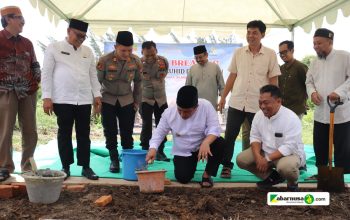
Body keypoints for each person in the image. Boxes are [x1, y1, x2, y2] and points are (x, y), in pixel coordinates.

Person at [217, 20, 281, 178]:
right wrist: (223, 97)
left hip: (259, 105)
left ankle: (267, 164)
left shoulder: (271, 54)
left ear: (262, 35)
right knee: (230, 136)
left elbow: (273, 79)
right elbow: (232, 76)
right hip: (237, 102)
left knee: (264, 137)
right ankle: (226, 166)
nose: (251, 36)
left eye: (255, 33)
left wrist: (274, 101)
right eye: (249, 32)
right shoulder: (238, 52)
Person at [41, 19, 101, 180]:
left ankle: (86, 167)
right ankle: (65, 167)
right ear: (69, 31)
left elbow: (93, 76)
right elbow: (46, 73)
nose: (81, 39)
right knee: (64, 133)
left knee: (84, 133)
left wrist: (97, 95)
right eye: (78, 35)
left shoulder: (88, 51)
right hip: (62, 98)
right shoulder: (54, 48)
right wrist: (47, 97)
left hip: (83, 99)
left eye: (84, 36)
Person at [145, 85, 225, 188]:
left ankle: (207, 175)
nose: (183, 114)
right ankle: (186, 163)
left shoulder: (206, 106)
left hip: (203, 145)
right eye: (180, 110)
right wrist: (153, 149)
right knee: (183, 178)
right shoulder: (169, 113)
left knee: (220, 143)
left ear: (196, 107)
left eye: (187, 111)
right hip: (184, 150)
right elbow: (159, 133)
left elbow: (215, 128)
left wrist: (206, 142)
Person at [236, 85, 306, 191]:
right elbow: (255, 137)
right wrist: (258, 157)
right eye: (260, 103)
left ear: (278, 101)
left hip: (288, 155)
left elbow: (289, 147)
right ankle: (272, 177)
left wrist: (267, 159)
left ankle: (292, 183)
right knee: (241, 160)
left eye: (266, 102)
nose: (262, 106)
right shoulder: (259, 115)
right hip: (265, 151)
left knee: (286, 168)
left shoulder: (291, 118)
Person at [0, 6, 41, 182]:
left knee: (31, 130)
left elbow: (35, 65)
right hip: (5, 91)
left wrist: (35, 82)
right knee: (5, 130)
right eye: (19, 17)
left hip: (27, 92)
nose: (23, 21)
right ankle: (4, 167)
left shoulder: (27, 43)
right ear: (8, 19)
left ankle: (28, 166)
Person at [305, 28, 350, 175]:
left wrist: (339, 92)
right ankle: (322, 173)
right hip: (320, 113)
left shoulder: (345, 57)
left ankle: (341, 176)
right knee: (320, 145)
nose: (315, 46)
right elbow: (309, 82)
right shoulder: (314, 62)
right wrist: (312, 93)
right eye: (314, 43)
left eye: (319, 43)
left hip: (341, 113)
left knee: (342, 147)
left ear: (330, 42)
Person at [97, 31, 142, 173]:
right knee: (109, 131)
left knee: (127, 132)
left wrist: (137, 102)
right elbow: (96, 82)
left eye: (129, 50)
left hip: (126, 100)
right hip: (107, 100)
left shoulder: (136, 61)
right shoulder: (104, 61)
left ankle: (128, 158)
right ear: (115, 46)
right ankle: (114, 159)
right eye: (123, 50)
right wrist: (96, 102)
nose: (126, 53)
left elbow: (138, 83)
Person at [139, 41, 170, 162]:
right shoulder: (138, 63)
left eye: (153, 54)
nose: (150, 57)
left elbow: (163, 75)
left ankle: (160, 152)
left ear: (156, 51)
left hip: (161, 99)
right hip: (145, 99)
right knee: (146, 125)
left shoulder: (163, 61)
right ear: (142, 53)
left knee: (162, 125)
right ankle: (144, 150)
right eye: (147, 55)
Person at [185, 45, 225, 109]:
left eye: (200, 57)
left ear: (206, 55)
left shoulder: (215, 67)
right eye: (196, 58)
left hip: (212, 105)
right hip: (195, 106)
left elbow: (222, 86)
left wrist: (223, 99)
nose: (198, 60)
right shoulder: (192, 69)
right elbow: (187, 88)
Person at [278, 40, 308, 119]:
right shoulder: (281, 68)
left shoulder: (300, 67)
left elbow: (309, 85)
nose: (282, 55)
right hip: (282, 109)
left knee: (293, 131)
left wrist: (305, 102)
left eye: (284, 52)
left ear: (292, 50)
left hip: (296, 110)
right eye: (280, 53)